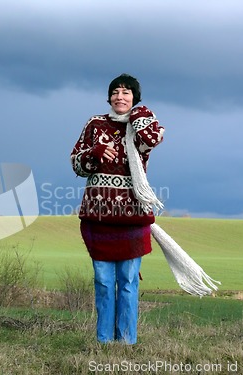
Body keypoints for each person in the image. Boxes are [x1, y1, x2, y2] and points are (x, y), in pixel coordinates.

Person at [70, 73, 165, 344]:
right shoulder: (95, 124)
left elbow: (155, 138)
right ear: (109, 96)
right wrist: (95, 153)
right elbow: (76, 163)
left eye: (126, 92)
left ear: (134, 97)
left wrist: (138, 114)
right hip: (98, 216)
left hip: (133, 217)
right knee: (102, 282)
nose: (119, 97)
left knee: (128, 281)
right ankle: (103, 341)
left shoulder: (140, 125)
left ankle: (125, 342)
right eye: (115, 92)